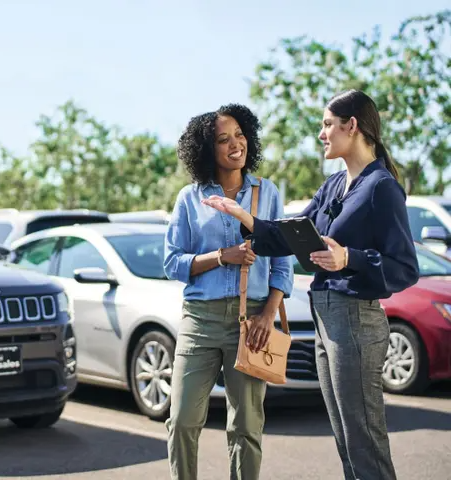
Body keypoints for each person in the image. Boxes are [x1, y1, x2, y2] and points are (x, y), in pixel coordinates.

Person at [202, 90, 419, 480]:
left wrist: (347, 258)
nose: (321, 134)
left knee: (364, 441)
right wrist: (244, 216)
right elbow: (290, 236)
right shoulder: (335, 186)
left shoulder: (381, 187)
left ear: (351, 126)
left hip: (355, 322)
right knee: (346, 441)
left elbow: (404, 267)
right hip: (326, 318)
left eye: (327, 124)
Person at [163, 103, 294, 480]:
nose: (236, 144)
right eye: (224, 139)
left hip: (252, 319)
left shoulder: (266, 193)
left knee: (246, 427)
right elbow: (173, 263)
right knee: (183, 419)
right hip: (200, 321)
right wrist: (222, 256)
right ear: (207, 149)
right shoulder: (190, 198)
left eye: (240, 135)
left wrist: (268, 314)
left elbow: (282, 262)